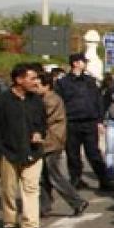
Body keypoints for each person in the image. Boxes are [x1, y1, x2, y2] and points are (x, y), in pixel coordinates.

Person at [0, 64, 48, 228]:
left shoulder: (37, 100)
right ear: (19, 80)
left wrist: (39, 132)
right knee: (9, 191)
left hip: (33, 153)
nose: (36, 82)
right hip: (9, 153)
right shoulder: (1, 102)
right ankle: (10, 223)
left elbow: (43, 122)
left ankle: (30, 227)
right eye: (32, 78)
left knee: (31, 189)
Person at [55, 53, 113, 191]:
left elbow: (98, 100)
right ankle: (76, 180)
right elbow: (59, 102)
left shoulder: (90, 81)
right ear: (75, 63)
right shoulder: (63, 83)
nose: (85, 64)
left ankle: (104, 180)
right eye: (83, 61)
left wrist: (100, 120)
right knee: (73, 154)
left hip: (89, 122)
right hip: (71, 122)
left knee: (94, 153)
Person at [36, 71, 88, 217]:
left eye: (37, 85)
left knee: (54, 176)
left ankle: (77, 201)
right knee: (44, 176)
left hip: (52, 142)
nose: (35, 88)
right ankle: (44, 207)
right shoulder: (44, 98)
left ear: (46, 86)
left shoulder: (50, 100)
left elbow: (42, 119)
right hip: (47, 142)